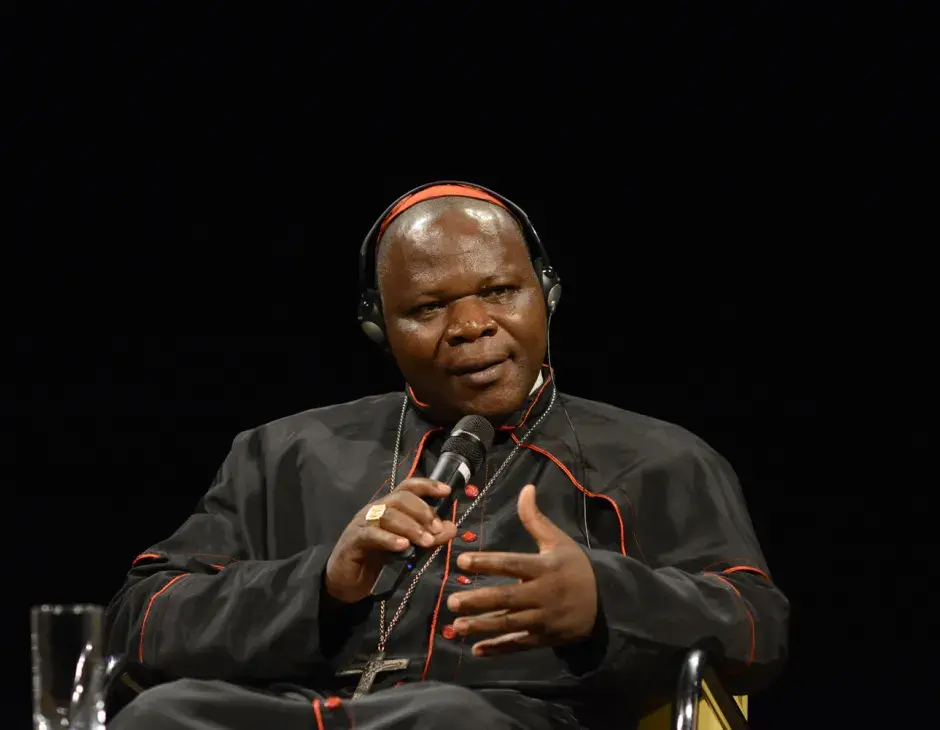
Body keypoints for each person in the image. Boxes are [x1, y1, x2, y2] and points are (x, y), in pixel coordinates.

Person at [104, 182, 789, 730]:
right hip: (292, 712)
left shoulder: (657, 458)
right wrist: (322, 585)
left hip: (509, 720)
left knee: (448, 718)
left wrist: (604, 600)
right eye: (428, 307)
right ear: (379, 327)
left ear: (546, 292)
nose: (468, 328)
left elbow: (756, 627)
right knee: (161, 715)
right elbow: (143, 618)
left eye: (498, 292)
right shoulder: (283, 452)